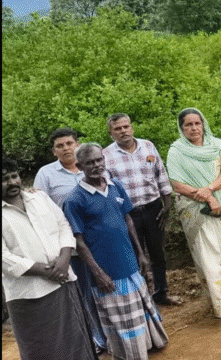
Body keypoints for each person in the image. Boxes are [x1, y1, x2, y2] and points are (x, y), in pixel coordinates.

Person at [63, 144, 168, 360]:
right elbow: (79, 242)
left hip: (128, 261)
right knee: (120, 317)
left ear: (104, 160)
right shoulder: (74, 199)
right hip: (106, 269)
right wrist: (98, 273)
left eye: (99, 160)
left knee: (141, 305)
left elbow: (128, 219)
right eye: (90, 162)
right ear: (79, 166)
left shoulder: (116, 185)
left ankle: (150, 344)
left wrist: (140, 253)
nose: (96, 165)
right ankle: (131, 354)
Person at [3, 157, 98, 360]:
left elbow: (64, 226)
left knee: (76, 340)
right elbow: (4, 258)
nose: (11, 182)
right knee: (40, 347)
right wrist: (49, 272)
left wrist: (64, 260)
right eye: (4, 179)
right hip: (28, 294)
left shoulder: (40, 198)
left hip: (64, 281)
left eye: (14, 176)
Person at [166, 108, 221, 318]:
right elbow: (178, 185)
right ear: (181, 127)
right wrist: (208, 198)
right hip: (196, 211)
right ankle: (220, 305)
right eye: (188, 124)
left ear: (203, 124)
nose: (194, 128)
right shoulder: (176, 151)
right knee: (209, 258)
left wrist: (210, 189)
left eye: (197, 123)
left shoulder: (218, 145)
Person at [33, 128, 109, 353]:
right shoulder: (46, 175)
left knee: (106, 288)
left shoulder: (95, 167)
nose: (66, 148)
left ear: (77, 144)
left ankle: (113, 333)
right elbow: (39, 210)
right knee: (85, 295)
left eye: (69, 143)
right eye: (60, 145)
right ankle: (97, 339)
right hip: (73, 248)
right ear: (53, 151)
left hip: (101, 242)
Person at [103, 113, 183, 306]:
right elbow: (107, 188)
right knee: (135, 255)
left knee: (158, 254)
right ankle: (143, 297)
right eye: (118, 129)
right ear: (111, 133)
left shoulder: (148, 146)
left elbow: (161, 174)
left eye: (126, 126)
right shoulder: (106, 156)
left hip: (153, 208)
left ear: (131, 127)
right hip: (127, 214)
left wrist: (167, 204)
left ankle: (161, 293)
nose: (123, 131)